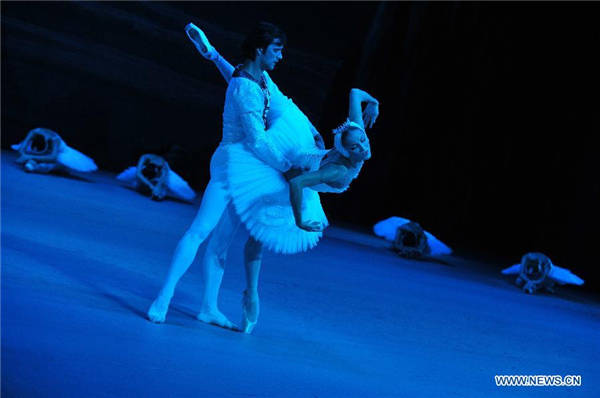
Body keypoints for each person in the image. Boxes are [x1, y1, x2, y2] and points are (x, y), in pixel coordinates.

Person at [147, 22, 320, 332]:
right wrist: (288, 168)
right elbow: (256, 139)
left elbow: (270, 98)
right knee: (200, 230)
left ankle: (208, 308)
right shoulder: (246, 85)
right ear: (260, 50)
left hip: (247, 170)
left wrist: (213, 55)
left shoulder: (258, 79)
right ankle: (164, 296)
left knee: (221, 243)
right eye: (277, 50)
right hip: (231, 166)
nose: (281, 56)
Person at [11, 127, 98, 173]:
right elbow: (22, 148)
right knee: (31, 159)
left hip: (58, 154)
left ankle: (34, 164)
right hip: (44, 151)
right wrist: (23, 154)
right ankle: (32, 163)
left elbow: (52, 157)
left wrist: (28, 156)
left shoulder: (54, 139)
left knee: (51, 164)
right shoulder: (34, 132)